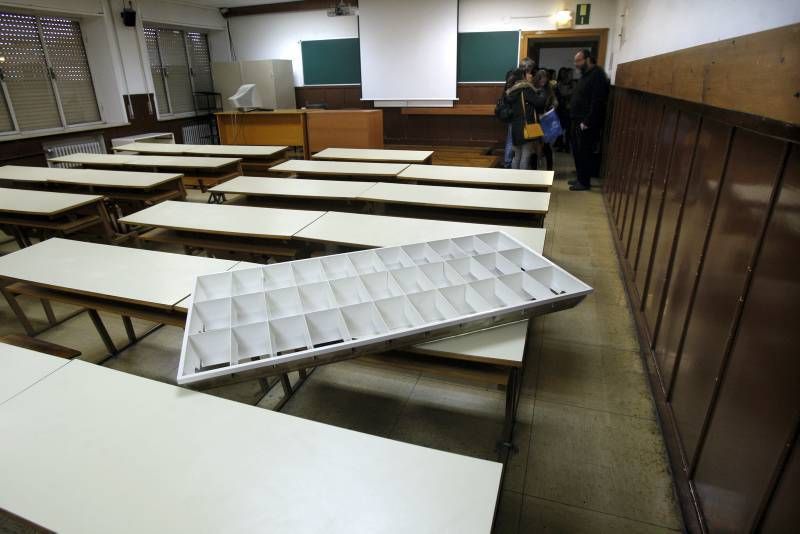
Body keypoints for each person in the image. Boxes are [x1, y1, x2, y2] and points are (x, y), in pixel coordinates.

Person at [569, 48, 609, 191]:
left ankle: (584, 182)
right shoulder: (586, 75)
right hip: (577, 120)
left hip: (585, 123)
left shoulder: (597, 75)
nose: (576, 64)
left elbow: (597, 101)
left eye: (578, 61)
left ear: (587, 59)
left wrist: (587, 122)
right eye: (575, 61)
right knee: (577, 151)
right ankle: (580, 177)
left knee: (584, 152)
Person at [503, 67, 537, 170]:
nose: (531, 75)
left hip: (515, 126)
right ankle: (522, 180)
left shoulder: (510, 91)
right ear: (523, 76)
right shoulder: (526, 90)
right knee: (525, 155)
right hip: (525, 126)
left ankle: (514, 178)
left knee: (517, 155)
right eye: (528, 74)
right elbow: (539, 102)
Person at [531, 69, 557, 171]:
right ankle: (534, 170)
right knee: (534, 147)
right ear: (537, 78)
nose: (544, 80)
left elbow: (555, 103)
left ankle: (549, 170)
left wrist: (550, 108)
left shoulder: (549, 89)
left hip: (545, 120)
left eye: (545, 77)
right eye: (541, 78)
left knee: (546, 146)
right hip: (534, 120)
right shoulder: (532, 89)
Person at [555, 67, 575, 152]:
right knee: (560, 128)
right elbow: (563, 94)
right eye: (570, 74)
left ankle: (567, 146)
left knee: (569, 129)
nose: (571, 76)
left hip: (570, 109)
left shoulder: (573, 84)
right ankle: (560, 145)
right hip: (562, 109)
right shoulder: (560, 84)